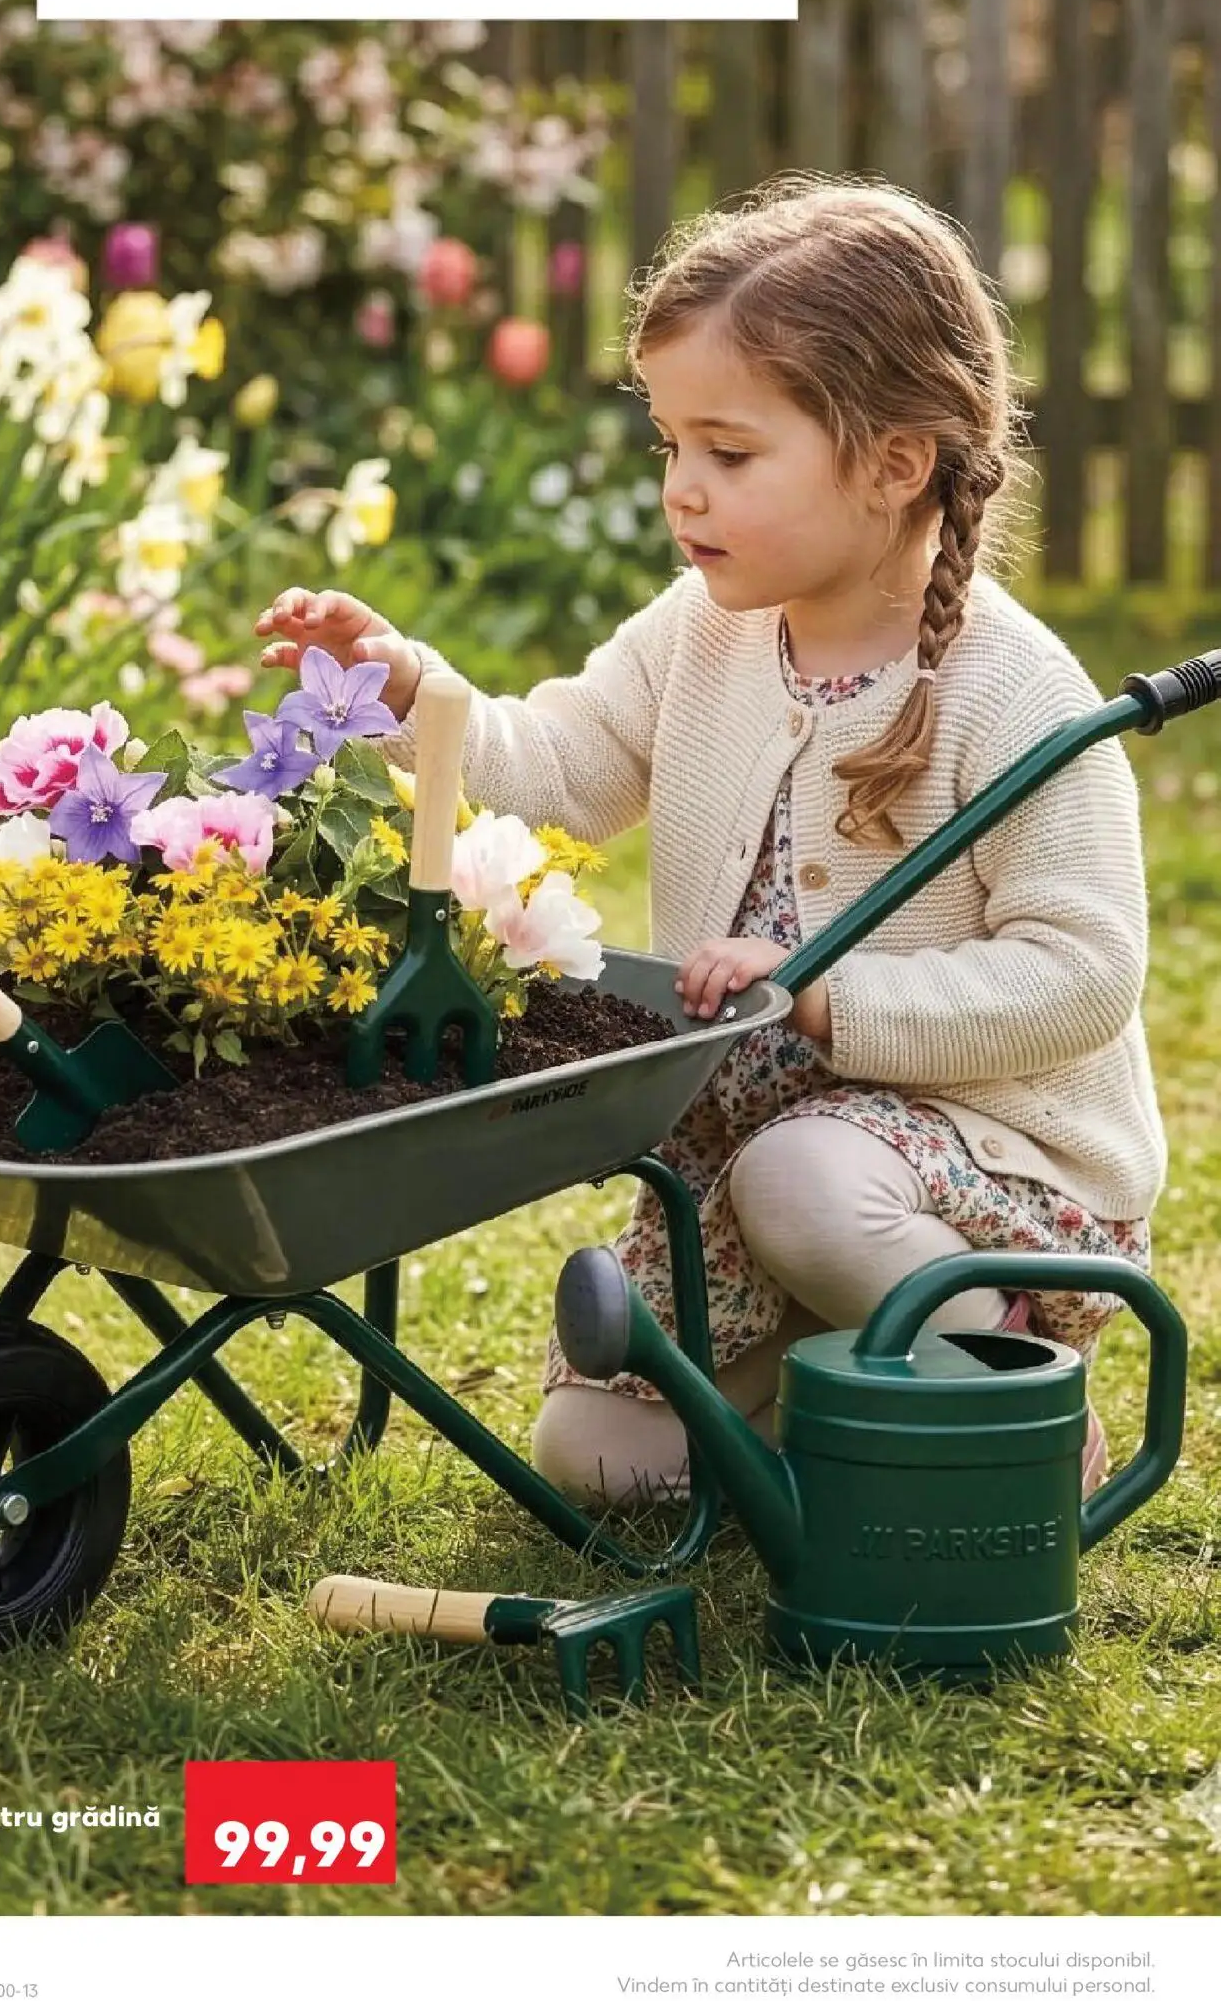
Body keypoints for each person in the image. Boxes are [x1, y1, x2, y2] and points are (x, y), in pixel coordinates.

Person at [253, 174, 1164, 1510]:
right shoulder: (706, 629)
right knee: (598, 1461)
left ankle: (1009, 1403)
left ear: (896, 461)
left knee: (803, 1176)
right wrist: (410, 692)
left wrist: (832, 1000)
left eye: (729, 454)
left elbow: (1081, 972)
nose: (683, 490)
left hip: (981, 1178)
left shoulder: (1012, 692)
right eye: (668, 445)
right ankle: (855, 1415)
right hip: (745, 1167)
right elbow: (559, 766)